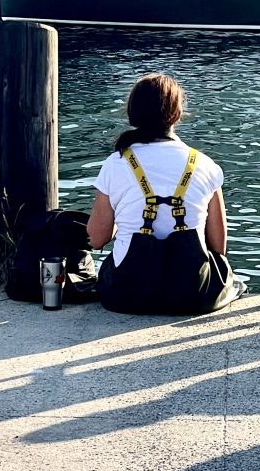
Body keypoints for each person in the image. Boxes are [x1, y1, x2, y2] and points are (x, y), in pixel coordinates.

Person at [87, 72, 241, 315]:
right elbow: (218, 246)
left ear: (132, 113)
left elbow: (96, 239)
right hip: (192, 294)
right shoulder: (204, 164)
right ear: (177, 114)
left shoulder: (115, 163)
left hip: (129, 295)